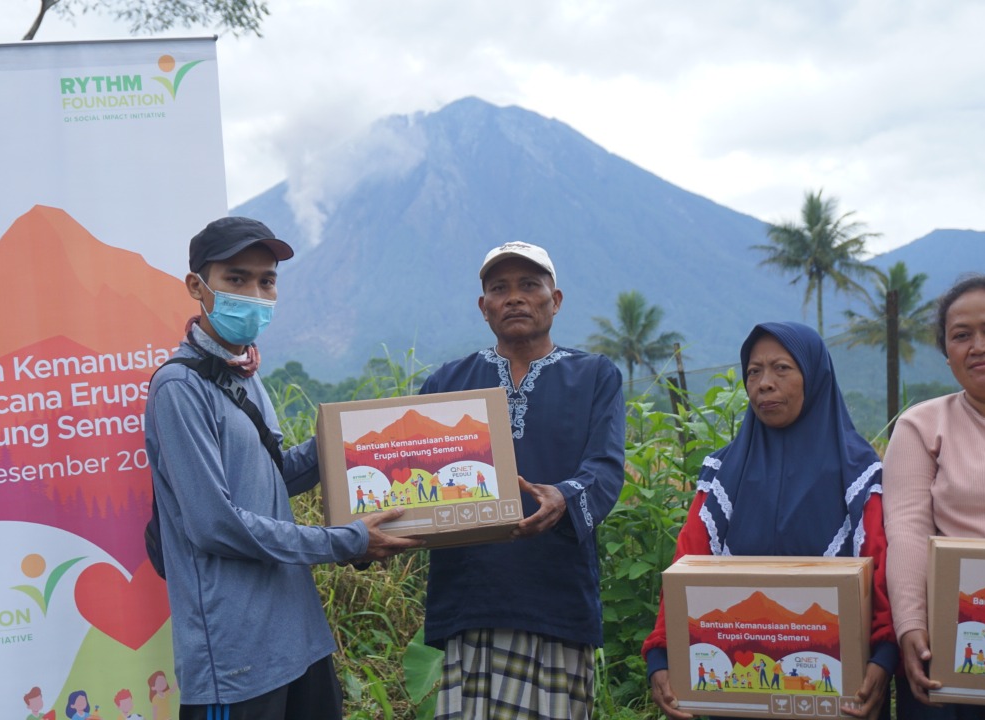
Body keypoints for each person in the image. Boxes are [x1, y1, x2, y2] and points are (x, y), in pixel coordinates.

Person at [145, 216, 421, 720]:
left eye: (266, 281)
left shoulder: (243, 374)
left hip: (299, 637)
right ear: (196, 286)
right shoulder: (179, 388)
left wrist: (348, 440)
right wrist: (346, 541)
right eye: (236, 278)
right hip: (236, 657)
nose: (254, 293)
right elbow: (215, 525)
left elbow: (273, 478)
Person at [642, 322, 897, 720]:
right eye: (753, 371)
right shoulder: (723, 474)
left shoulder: (858, 473)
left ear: (814, 376)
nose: (764, 383)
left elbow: (881, 570)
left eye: (781, 368)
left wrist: (884, 655)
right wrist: (661, 653)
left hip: (841, 695)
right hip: (737, 694)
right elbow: (686, 565)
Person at [420, 241, 625, 720]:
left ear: (556, 300)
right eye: (499, 288)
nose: (514, 297)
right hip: (471, 599)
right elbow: (416, 478)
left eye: (529, 285)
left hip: (556, 595)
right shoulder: (447, 382)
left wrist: (564, 497)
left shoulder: (595, 375)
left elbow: (606, 467)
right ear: (483, 307)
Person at [886, 275, 985, 720]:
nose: (978, 346)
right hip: (951, 641)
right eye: (961, 336)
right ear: (947, 352)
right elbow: (907, 532)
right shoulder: (921, 426)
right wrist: (911, 624)